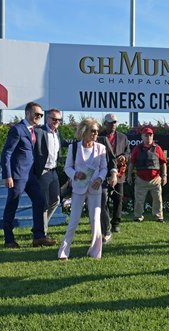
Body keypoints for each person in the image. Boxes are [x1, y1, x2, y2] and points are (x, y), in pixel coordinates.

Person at [1, 102, 57, 248]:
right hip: (17, 176)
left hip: (30, 176)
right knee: (11, 206)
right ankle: (9, 240)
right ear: (27, 113)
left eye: (41, 115)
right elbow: (6, 153)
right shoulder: (17, 130)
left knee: (39, 201)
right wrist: (7, 175)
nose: (39, 117)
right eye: (36, 114)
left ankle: (39, 237)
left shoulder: (35, 130)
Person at [57, 118, 107, 260]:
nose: (95, 134)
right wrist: (75, 174)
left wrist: (100, 179)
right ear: (84, 132)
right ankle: (63, 252)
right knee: (73, 221)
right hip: (78, 188)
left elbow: (104, 168)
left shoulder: (101, 148)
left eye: (97, 131)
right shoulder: (74, 148)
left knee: (96, 221)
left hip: (95, 189)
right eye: (93, 131)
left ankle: (95, 252)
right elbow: (67, 168)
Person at [97, 113, 130, 244]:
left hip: (119, 174)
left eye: (115, 122)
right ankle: (104, 225)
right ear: (105, 124)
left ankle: (116, 222)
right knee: (103, 199)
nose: (113, 125)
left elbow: (128, 151)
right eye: (110, 123)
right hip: (103, 172)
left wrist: (124, 157)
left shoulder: (123, 137)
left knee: (118, 198)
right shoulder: (99, 137)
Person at [127, 127, 167, 223]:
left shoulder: (158, 148)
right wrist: (129, 176)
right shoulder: (137, 148)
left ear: (153, 136)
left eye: (150, 135)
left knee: (158, 200)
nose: (148, 137)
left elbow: (163, 163)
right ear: (142, 137)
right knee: (139, 201)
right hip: (141, 179)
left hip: (155, 179)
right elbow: (131, 163)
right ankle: (138, 216)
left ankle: (158, 217)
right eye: (146, 135)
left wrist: (164, 175)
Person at [33, 108, 63, 237]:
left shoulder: (58, 133)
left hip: (54, 171)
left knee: (56, 200)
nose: (56, 121)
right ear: (47, 118)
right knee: (43, 203)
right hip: (43, 172)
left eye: (59, 120)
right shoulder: (39, 131)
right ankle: (42, 232)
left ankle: (39, 226)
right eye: (54, 119)